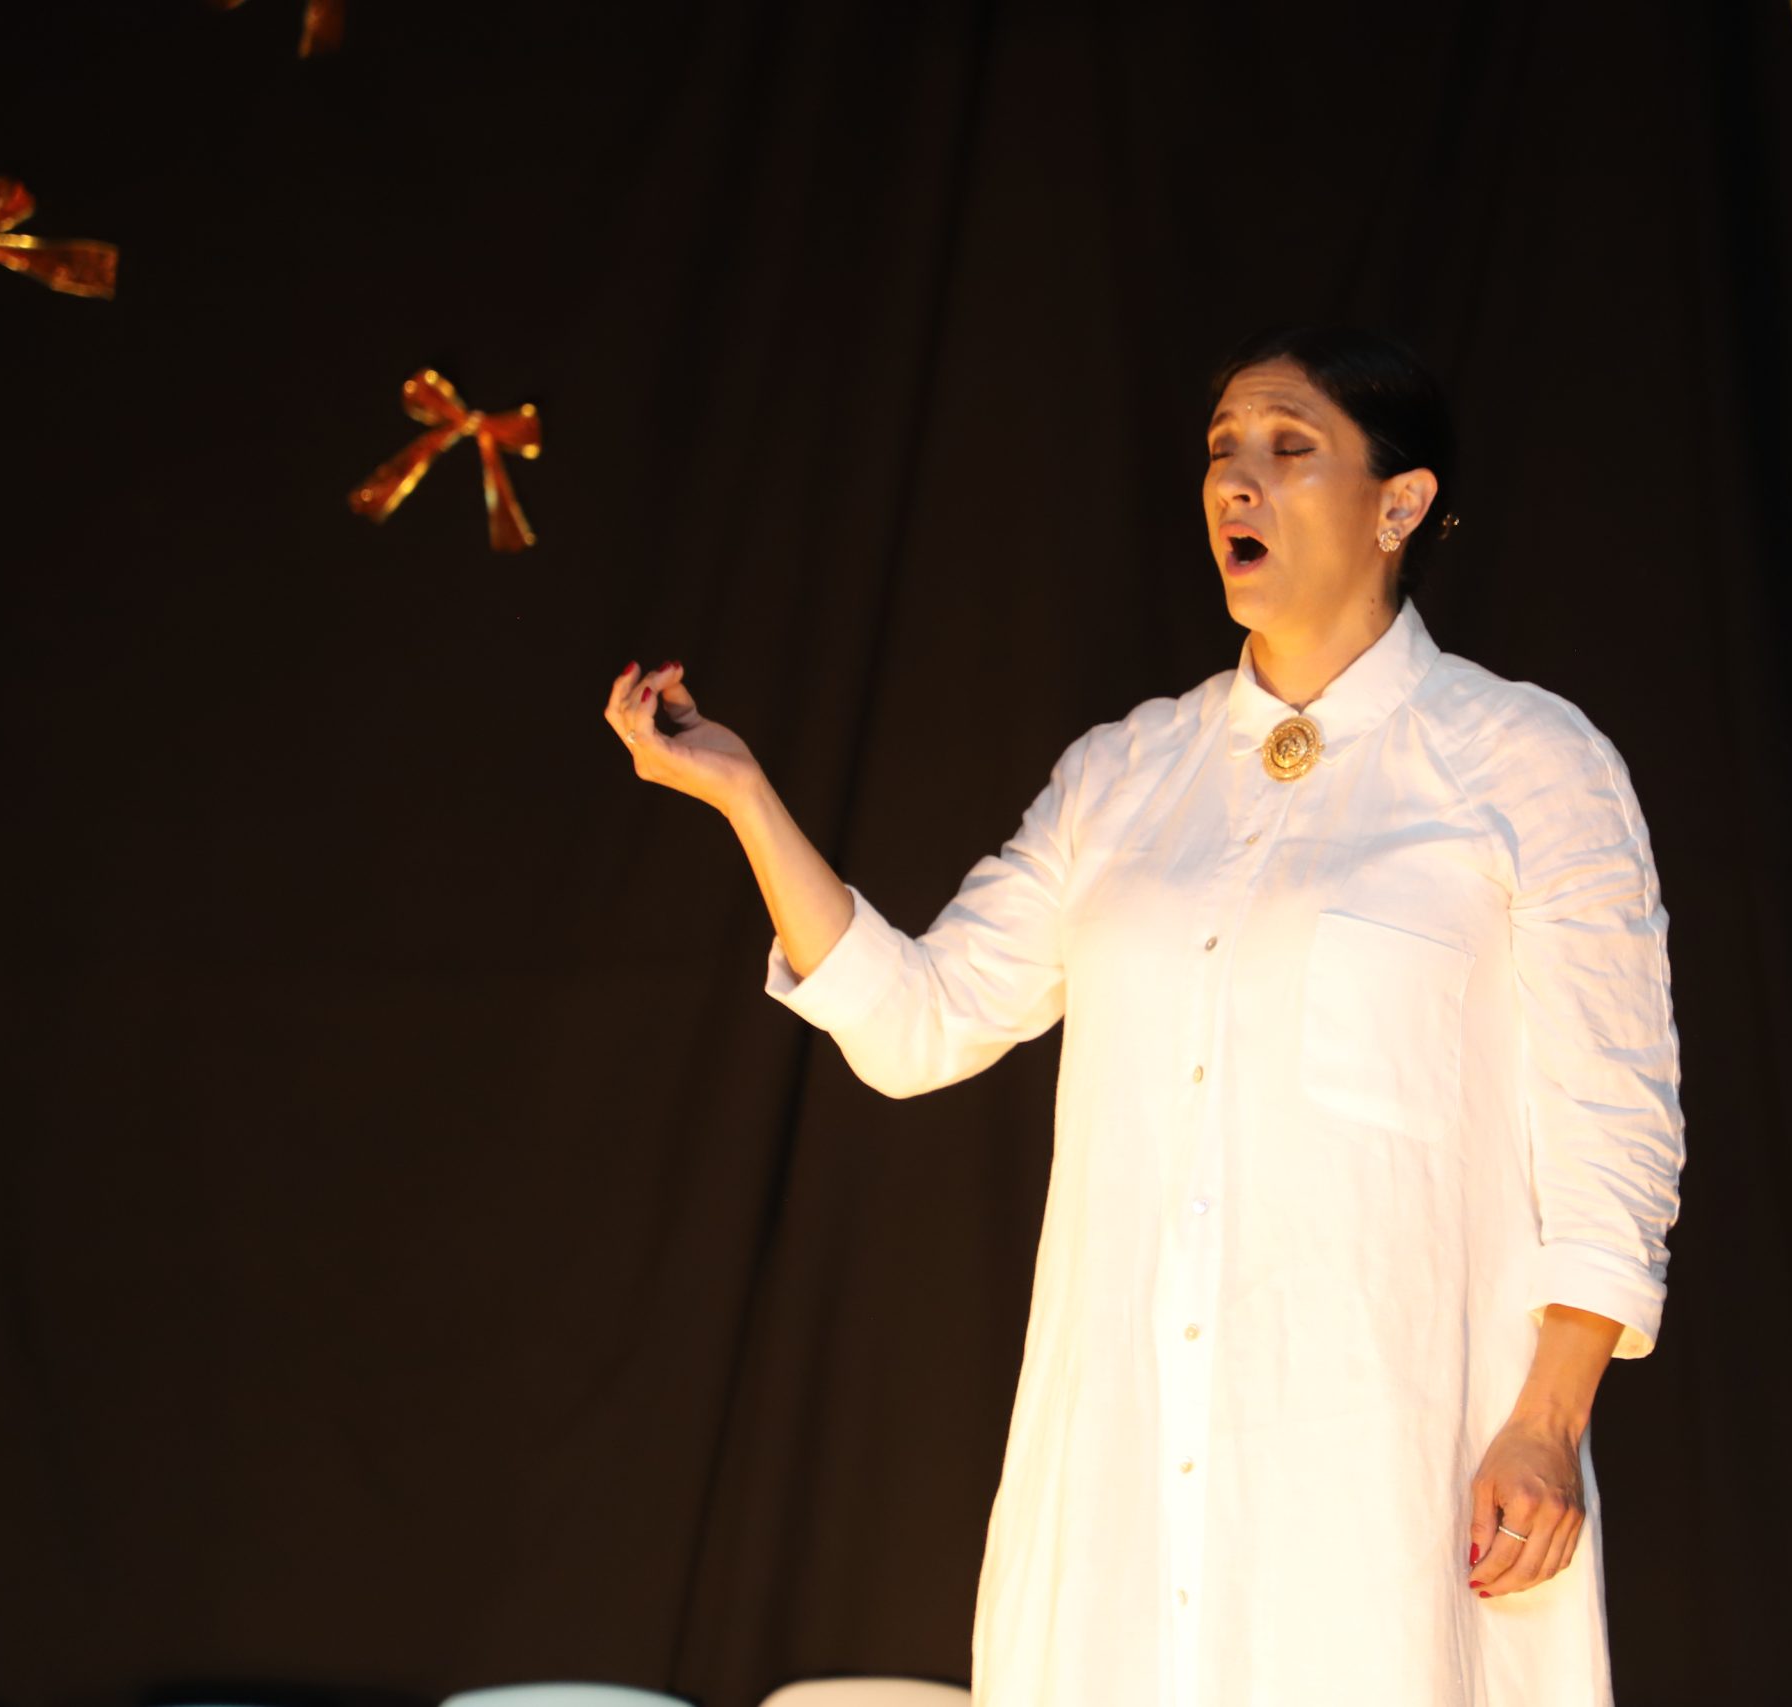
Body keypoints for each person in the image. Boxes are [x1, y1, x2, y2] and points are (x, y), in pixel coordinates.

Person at [600, 324, 1686, 1707]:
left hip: (1386, 1461)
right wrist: (745, 797)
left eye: (1289, 449)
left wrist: (1547, 1422)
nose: (1238, 481)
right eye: (1223, 452)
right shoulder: (1127, 774)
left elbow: (1613, 1119)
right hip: (1123, 1467)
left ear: (1399, 504)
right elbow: (921, 1023)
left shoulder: (1525, 760)